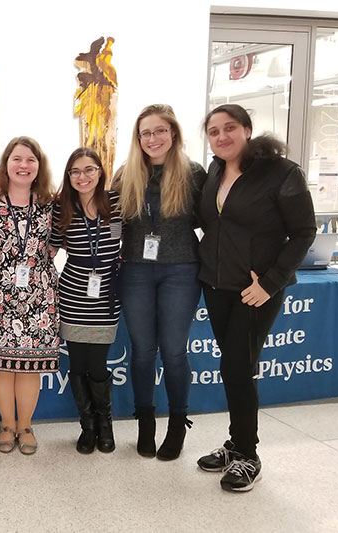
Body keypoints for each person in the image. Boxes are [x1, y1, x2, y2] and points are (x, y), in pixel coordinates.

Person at [197, 104, 315, 492]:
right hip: (216, 286)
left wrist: (271, 281)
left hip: (255, 292)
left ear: (247, 129)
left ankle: (248, 454)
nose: (221, 137)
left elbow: (303, 232)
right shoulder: (215, 170)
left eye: (229, 128)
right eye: (213, 132)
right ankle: (235, 444)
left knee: (237, 367)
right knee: (233, 367)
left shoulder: (282, 173)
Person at [113, 104, 207, 460]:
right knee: (141, 352)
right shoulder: (126, 175)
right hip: (136, 270)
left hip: (180, 270)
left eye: (159, 131)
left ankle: (178, 423)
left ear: (174, 134)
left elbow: (211, 221)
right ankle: (146, 422)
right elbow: (113, 223)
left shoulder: (193, 173)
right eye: (145, 133)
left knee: (173, 350)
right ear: (139, 139)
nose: (153, 138)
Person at [0, 136, 59, 455]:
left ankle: (25, 426)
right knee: (2, 363)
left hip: (39, 295)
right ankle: (7, 424)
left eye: (30, 160)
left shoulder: (50, 202)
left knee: (30, 365)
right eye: (17, 159)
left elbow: (59, 239)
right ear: (6, 164)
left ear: (39, 166)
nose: (23, 166)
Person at [51, 147, 122, 454]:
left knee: (97, 363)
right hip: (73, 293)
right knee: (78, 363)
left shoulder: (115, 203)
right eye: (75, 171)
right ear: (69, 176)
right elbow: (50, 248)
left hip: (106, 294)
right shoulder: (62, 208)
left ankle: (105, 424)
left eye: (89, 169)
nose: (83, 176)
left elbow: (122, 241)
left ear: (100, 171)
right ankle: (87, 427)